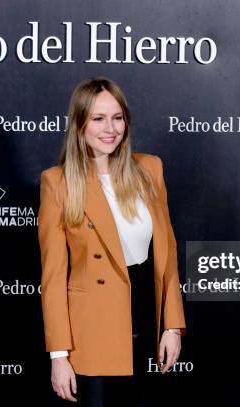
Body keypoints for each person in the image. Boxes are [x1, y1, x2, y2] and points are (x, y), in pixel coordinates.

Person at [38, 76, 187, 406]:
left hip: (146, 318)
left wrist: (172, 326)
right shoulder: (57, 183)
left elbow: (168, 254)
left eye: (117, 118)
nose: (110, 129)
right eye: (98, 118)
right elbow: (52, 278)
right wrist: (58, 355)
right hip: (91, 328)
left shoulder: (150, 169)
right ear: (79, 124)